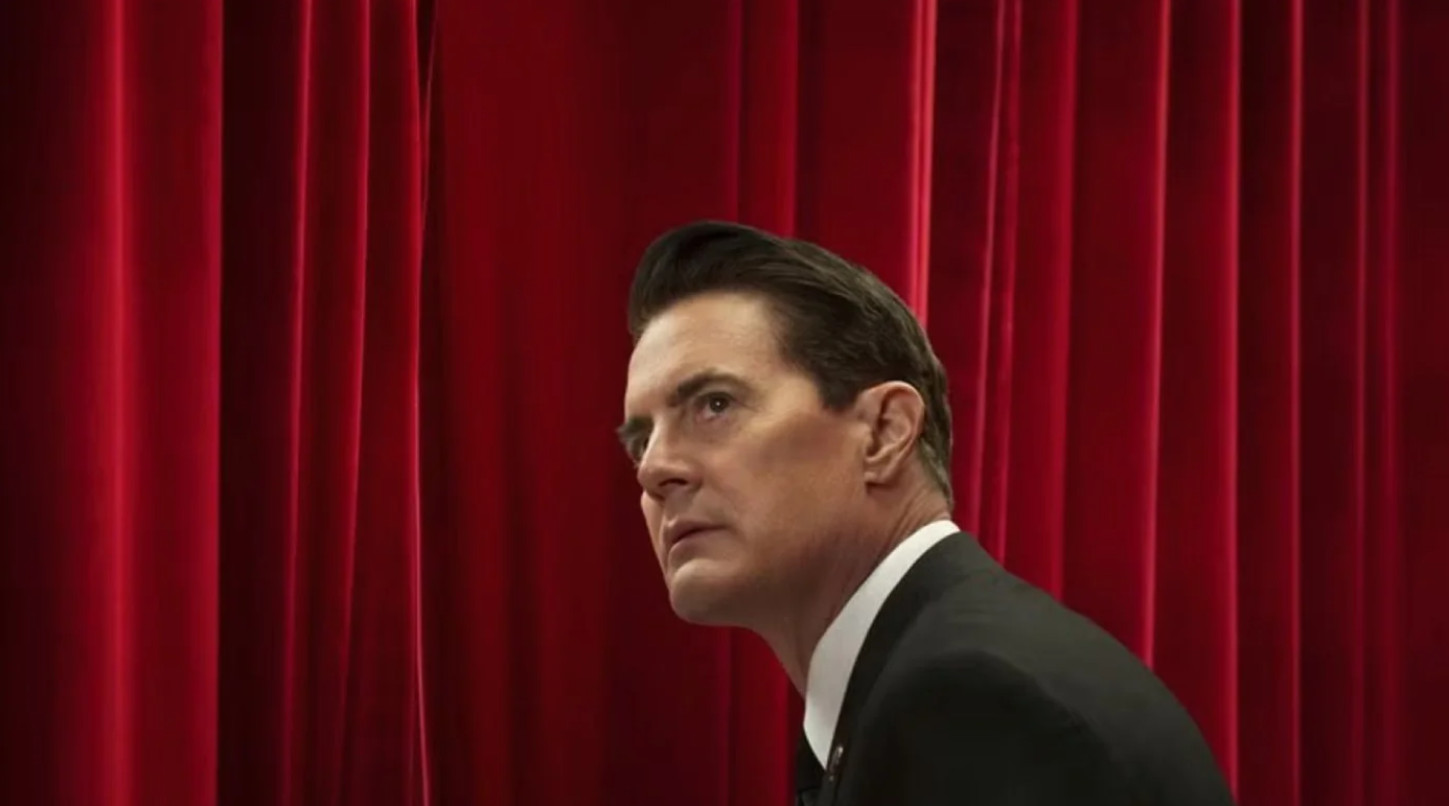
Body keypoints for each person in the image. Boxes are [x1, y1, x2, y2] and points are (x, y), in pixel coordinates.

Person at [618, 220, 1236, 806]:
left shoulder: (974, 702)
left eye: (715, 405)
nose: (654, 470)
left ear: (884, 433)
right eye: (640, 441)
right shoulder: (916, 682)